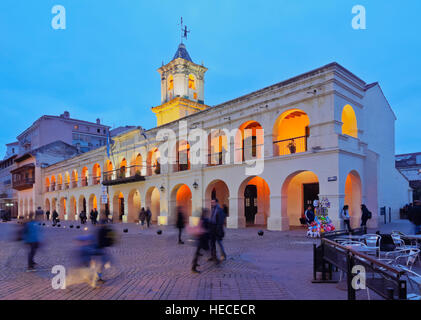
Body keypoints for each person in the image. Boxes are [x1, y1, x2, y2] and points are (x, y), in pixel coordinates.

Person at [192, 208, 210, 273]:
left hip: (201, 239)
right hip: (202, 239)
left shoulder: (201, 218)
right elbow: (204, 229)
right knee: (199, 252)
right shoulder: (204, 220)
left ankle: (194, 264)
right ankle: (193, 267)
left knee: (198, 252)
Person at [209, 198, 227, 263]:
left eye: (213, 202)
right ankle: (213, 256)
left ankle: (223, 255)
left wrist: (218, 230)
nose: (212, 203)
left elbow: (220, 221)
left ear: (216, 202)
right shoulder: (213, 209)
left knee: (219, 243)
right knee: (212, 243)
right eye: (211, 202)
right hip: (212, 229)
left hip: (217, 230)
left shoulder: (219, 210)